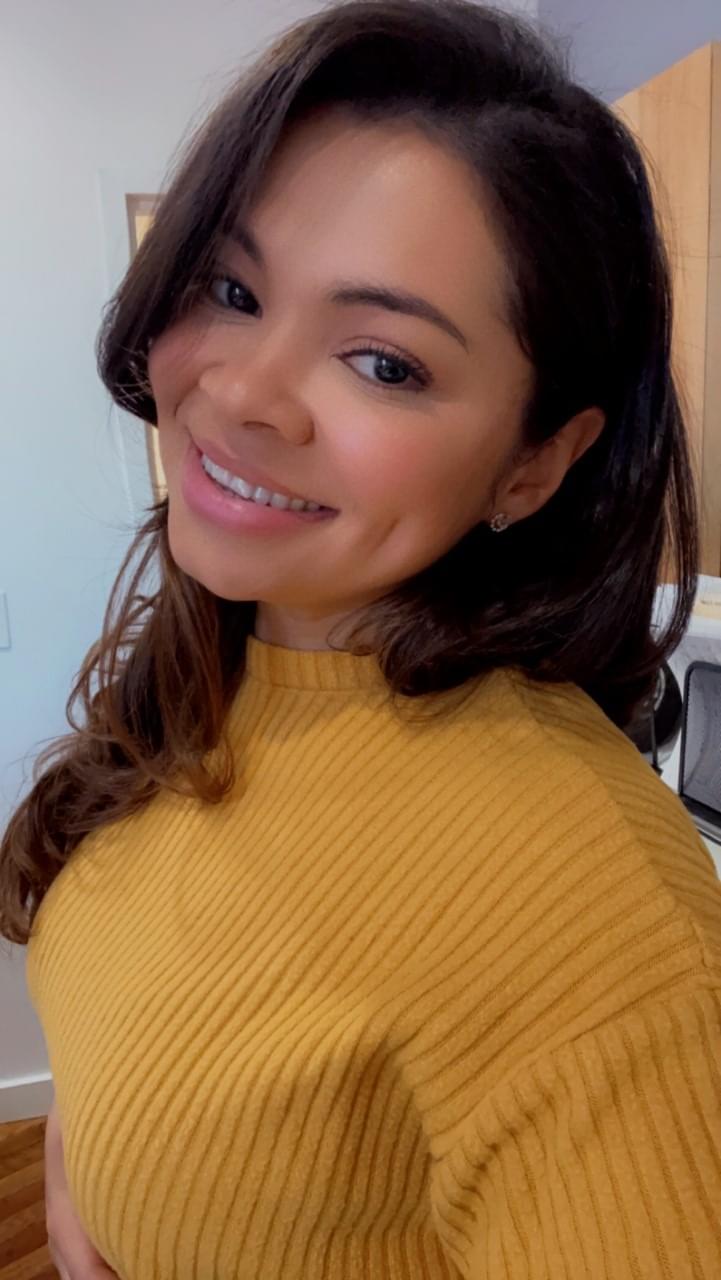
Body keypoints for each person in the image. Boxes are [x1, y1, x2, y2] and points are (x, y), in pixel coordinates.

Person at [1, 0, 720, 1276]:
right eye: (232, 289)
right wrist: (78, 1176)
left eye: (384, 362)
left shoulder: (603, 926)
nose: (242, 393)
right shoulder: (213, 656)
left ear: (534, 463)